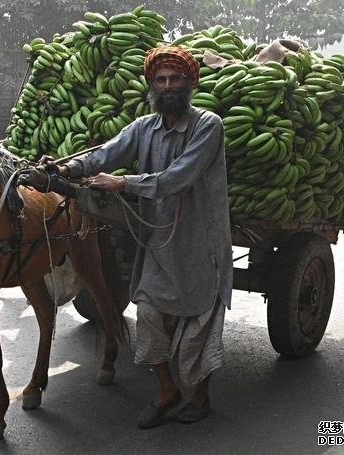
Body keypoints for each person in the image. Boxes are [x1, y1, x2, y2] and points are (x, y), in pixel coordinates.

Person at [39, 46, 233, 428]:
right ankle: (166, 391)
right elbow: (106, 154)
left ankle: (200, 396)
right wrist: (66, 167)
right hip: (158, 245)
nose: (168, 85)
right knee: (148, 318)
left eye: (175, 79)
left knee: (197, 331)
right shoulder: (144, 127)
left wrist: (122, 182)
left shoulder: (208, 125)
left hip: (200, 243)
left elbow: (180, 177)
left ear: (190, 83)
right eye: (160, 80)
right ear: (152, 86)